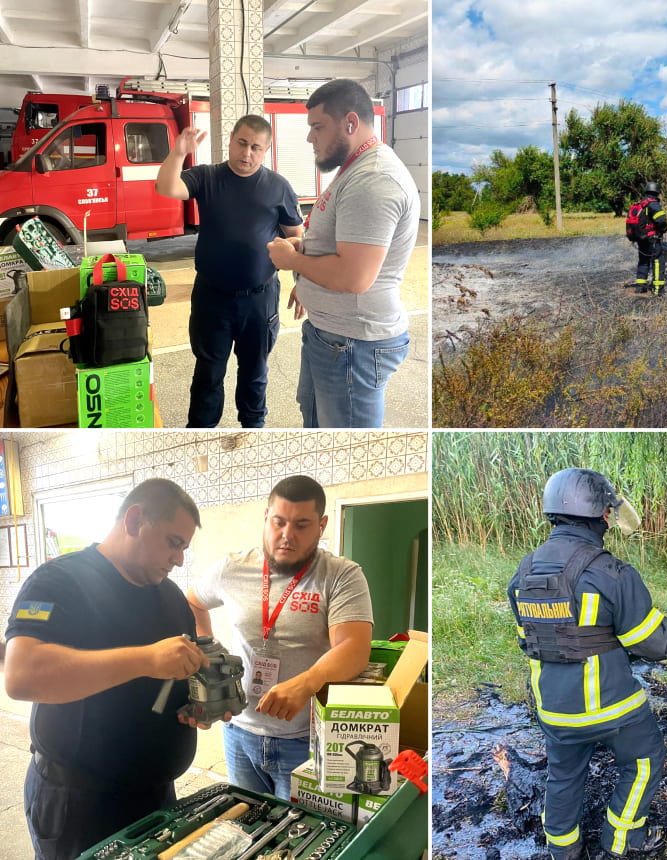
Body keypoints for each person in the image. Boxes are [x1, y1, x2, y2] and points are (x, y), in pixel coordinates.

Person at [507, 468, 667, 860]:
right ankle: (622, 841)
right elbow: (657, 643)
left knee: (563, 775)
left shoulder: (523, 572)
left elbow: (541, 635)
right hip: (612, 709)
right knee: (644, 760)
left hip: (553, 710)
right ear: (605, 515)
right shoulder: (613, 573)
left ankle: (563, 850)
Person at [3, 479, 211, 860]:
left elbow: (174, 676)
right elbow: (21, 676)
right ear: (134, 521)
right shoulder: (57, 582)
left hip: (157, 797)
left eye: (184, 547)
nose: (180, 559)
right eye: (173, 542)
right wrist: (146, 658)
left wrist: (201, 704)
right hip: (79, 805)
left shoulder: (171, 597)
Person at [186, 475, 373, 797]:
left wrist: (307, 681)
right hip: (238, 731)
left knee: (298, 836)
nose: (287, 535)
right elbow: (191, 602)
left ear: (322, 525)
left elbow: (354, 648)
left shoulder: (341, 575)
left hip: (304, 739)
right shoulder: (231, 568)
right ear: (266, 518)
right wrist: (209, 654)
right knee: (249, 823)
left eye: (302, 525)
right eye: (279, 522)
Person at [267, 78, 420, 428]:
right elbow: (339, 245)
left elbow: (354, 277)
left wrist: (293, 262)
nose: (310, 137)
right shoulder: (354, 168)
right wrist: (303, 258)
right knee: (317, 424)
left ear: (350, 123)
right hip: (334, 336)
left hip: (353, 345)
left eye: (317, 127)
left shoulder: (374, 179)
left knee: (343, 433)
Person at [155, 115, 304, 428]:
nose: (247, 153)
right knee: (208, 372)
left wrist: (302, 282)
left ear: (266, 151)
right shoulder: (208, 177)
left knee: (254, 373)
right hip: (213, 298)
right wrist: (179, 151)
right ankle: (200, 430)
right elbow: (166, 187)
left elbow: (298, 239)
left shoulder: (278, 187)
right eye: (242, 143)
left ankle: (254, 429)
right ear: (231, 139)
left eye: (256, 148)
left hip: (259, 300)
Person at [630, 181, 667, 296]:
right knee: (658, 262)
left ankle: (640, 287)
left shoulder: (640, 203)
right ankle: (658, 290)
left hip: (641, 238)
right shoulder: (653, 204)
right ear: (657, 192)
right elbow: (661, 220)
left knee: (643, 261)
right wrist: (664, 230)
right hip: (653, 239)